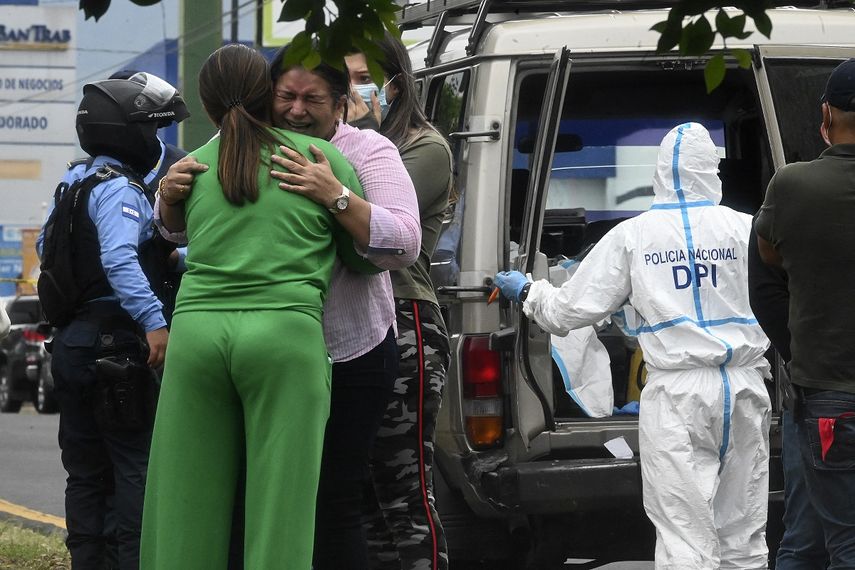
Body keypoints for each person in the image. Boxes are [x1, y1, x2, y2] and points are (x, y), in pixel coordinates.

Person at [152, 44, 420, 569]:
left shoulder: (363, 152)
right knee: (270, 506)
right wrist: (166, 196)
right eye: (286, 97)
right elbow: (177, 227)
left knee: (331, 502)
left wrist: (338, 196)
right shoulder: (220, 149)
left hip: (348, 349)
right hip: (290, 346)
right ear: (263, 96)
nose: (297, 110)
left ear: (341, 102)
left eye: (312, 98)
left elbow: (403, 243)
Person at [494, 123, 772, 569]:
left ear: (660, 173)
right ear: (712, 171)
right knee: (743, 534)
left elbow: (568, 312)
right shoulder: (748, 229)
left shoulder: (634, 236)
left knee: (685, 536)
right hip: (744, 390)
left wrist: (528, 292)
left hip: (677, 396)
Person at [36, 72, 187, 569]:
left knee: (83, 471)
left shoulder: (72, 184)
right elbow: (121, 259)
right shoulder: (119, 190)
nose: (158, 140)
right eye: (153, 129)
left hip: (73, 343)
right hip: (116, 345)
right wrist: (153, 322)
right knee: (132, 468)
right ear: (130, 132)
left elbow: (47, 251)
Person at [345, 33, 453, 570]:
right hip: (352, 322)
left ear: (394, 81)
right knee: (357, 497)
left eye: (363, 78)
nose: (352, 91)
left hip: (405, 320)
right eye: (341, 80)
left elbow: (372, 221)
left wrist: (360, 135)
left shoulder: (424, 148)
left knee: (402, 491)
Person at [755, 58, 855, 569]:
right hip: (826, 395)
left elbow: (769, 264)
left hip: (830, 400)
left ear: (826, 116)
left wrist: (802, 350)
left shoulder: (792, 187)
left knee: (837, 542)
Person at [748, 230, 828, 569]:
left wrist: (803, 357)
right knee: (810, 539)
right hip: (817, 394)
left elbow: (766, 296)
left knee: (807, 540)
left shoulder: (792, 201)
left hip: (816, 390)